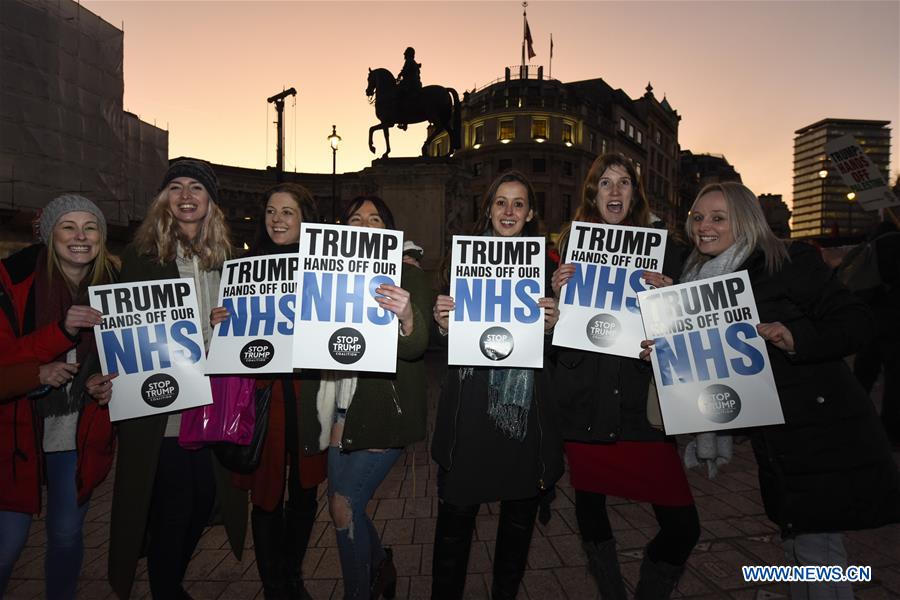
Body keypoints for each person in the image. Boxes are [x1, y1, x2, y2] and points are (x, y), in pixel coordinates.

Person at [641, 182, 900, 600]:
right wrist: (669, 343)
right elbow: (717, 362)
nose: (704, 226)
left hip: (818, 431)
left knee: (818, 552)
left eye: (718, 218)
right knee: (800, 543)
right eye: (698, 217)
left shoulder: (788, 261)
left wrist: (796, 338)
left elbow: (856, 322)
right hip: (779, 441)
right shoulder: (697, 277)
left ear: (744, 221)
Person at [551, 154, 699, 599]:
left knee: (682, 525)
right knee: (591, 506)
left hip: (639, 399)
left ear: (636, 193)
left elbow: (689, 323)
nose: (614, 192)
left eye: (624, 183)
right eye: (605, 184)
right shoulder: (568, 244)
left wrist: (671, 296)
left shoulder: (665, 246)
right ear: (592, 195)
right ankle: (612, 591)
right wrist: (556, 292)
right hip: (584, 395)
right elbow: (548, 326)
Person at [107, 159, 247, 599]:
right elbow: (120, 327)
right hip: (164, 405)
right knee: (175, 503)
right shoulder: (142, 256)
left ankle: (170, 581)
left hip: (212, 400)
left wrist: (230, 323)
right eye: (176, 187)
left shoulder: (227, 259)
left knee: (205, 500)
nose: (186, 196)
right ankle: (166, 589)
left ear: (211, 202)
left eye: (196, 189)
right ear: (164, 199)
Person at [431, 171, 564, 600]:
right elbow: (445, 339)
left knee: (517, 526)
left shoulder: (549, 269)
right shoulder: (460, 260)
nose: (509, 211)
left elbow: (561, 348)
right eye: (501, 202)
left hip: (522, 417)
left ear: (530, 213)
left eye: (519, 203)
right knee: (454, 525)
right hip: (469, 409)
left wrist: (553, 325)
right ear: (487, 208)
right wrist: (442, 323)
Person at [211, 183, 330, 600]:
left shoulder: (323, 270)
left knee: (304, 490)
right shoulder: (244, 267)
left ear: (305, 219)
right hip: (263, 397)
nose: (277, 219)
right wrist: (222, 319)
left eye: (288, 212)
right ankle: (274, 585)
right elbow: (231, 342)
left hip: (308, 393)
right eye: (271, 211)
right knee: (266, 496)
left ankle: (292, 573)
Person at [0, 194, 115, 599]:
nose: (80, 236)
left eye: (91, 227)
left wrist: (103, 384)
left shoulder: (113, 288)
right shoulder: (10, 282)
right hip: (15, 434)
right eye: (69, 226)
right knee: (7, 547)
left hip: (75, 433)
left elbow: (126, 362)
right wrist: (46, 358)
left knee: (66, 536)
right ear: (50, 234)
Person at [326, 195, 430, 600]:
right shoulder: (328, 275)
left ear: (389, 232)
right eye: (356, 219)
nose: (365, 226)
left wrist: (406, 316)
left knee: (343, 505)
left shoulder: (408, 274)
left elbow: (417, 346)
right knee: (343, 506)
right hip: (338, 405)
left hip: (381, 409)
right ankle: (380, 568)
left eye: (375, 220)